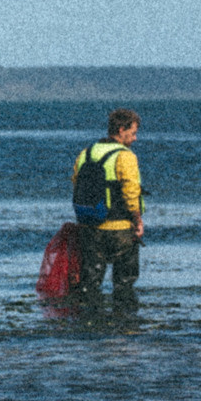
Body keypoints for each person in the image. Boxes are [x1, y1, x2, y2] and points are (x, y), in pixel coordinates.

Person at [71, 108, 145, 298]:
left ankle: (88, 322)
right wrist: (138, 221)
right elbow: (131, 193)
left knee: (89, 282)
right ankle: (125, 323)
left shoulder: (86, 153)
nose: (135, 138)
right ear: (121, 130)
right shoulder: (125, 156)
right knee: (124, 284)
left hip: (89, 227)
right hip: (119, 229)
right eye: (133, 133)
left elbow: (75, 183)